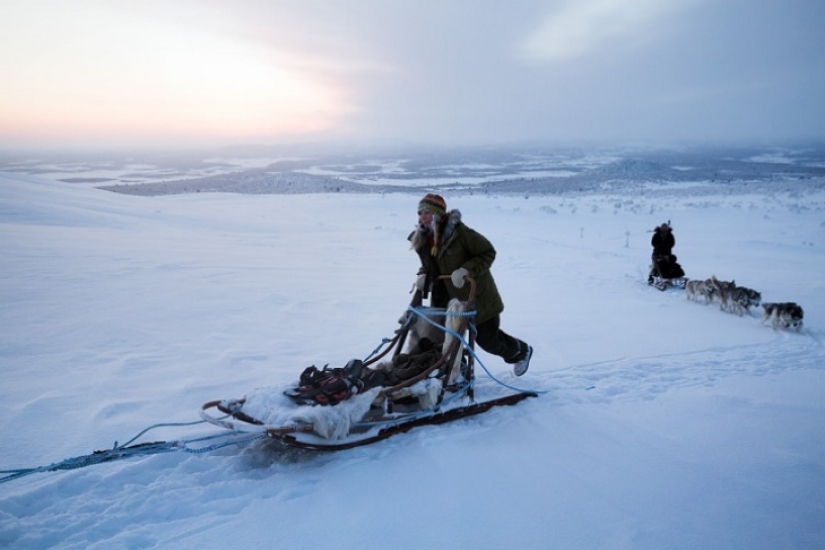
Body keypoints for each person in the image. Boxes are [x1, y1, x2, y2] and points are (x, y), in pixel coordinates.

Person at [408, 193, 532, 376]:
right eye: (419, 213)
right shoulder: (424, 239)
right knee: (442, 341)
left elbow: (487, 252)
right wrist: (423, 275)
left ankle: (520, 352)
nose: (422, 217)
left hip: (477, 296)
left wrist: (466, 270)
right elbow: (429, 266)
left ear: (438, 214)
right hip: (445, 300)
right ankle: (457, 371)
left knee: (488, 340)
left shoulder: (460, 234)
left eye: (427, 212)